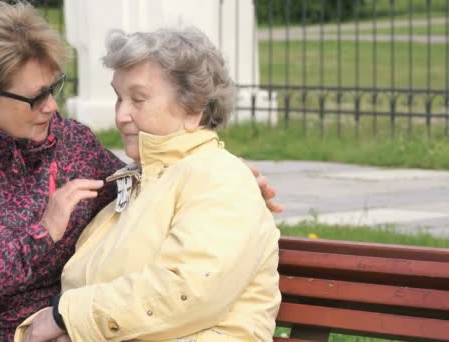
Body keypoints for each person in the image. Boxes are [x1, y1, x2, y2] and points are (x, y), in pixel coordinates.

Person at [0, 2, 279, 341]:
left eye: (54, 89)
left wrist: (226, 169)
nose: (52, 107)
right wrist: (41, 235)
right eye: (34, 98)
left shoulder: (70, 146)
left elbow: (157, 184)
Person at [15, 27, 281, 342]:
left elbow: (186, 291)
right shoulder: (139, 182)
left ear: (193, 110)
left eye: (138, 99)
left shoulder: (219, 179)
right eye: (119, 98)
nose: (121, 115)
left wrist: (64, 316)